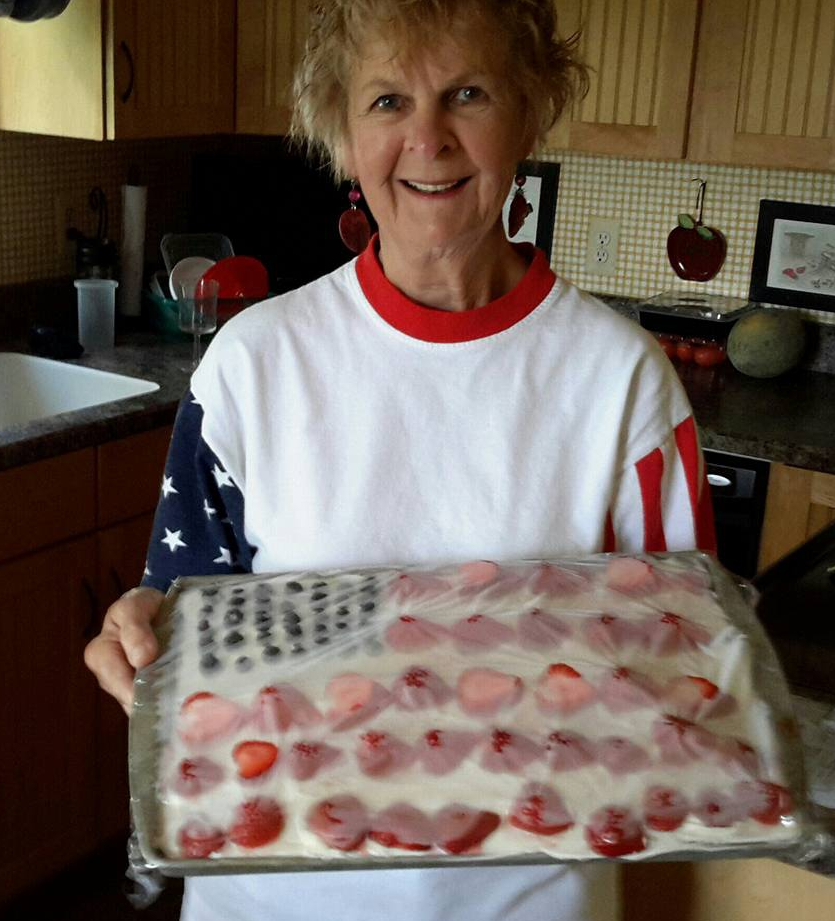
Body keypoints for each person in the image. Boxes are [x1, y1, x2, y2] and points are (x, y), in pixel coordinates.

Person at [84, 1, 716, 919]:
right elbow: (187, 632)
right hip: (269, 900)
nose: (427, 138)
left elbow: (685, 665)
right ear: (341, 135)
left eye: (467, 93)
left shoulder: (620, 380)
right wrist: (143, 631)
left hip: (522, 899)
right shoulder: (254, 363)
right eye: (386, 100)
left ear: (530, 114)